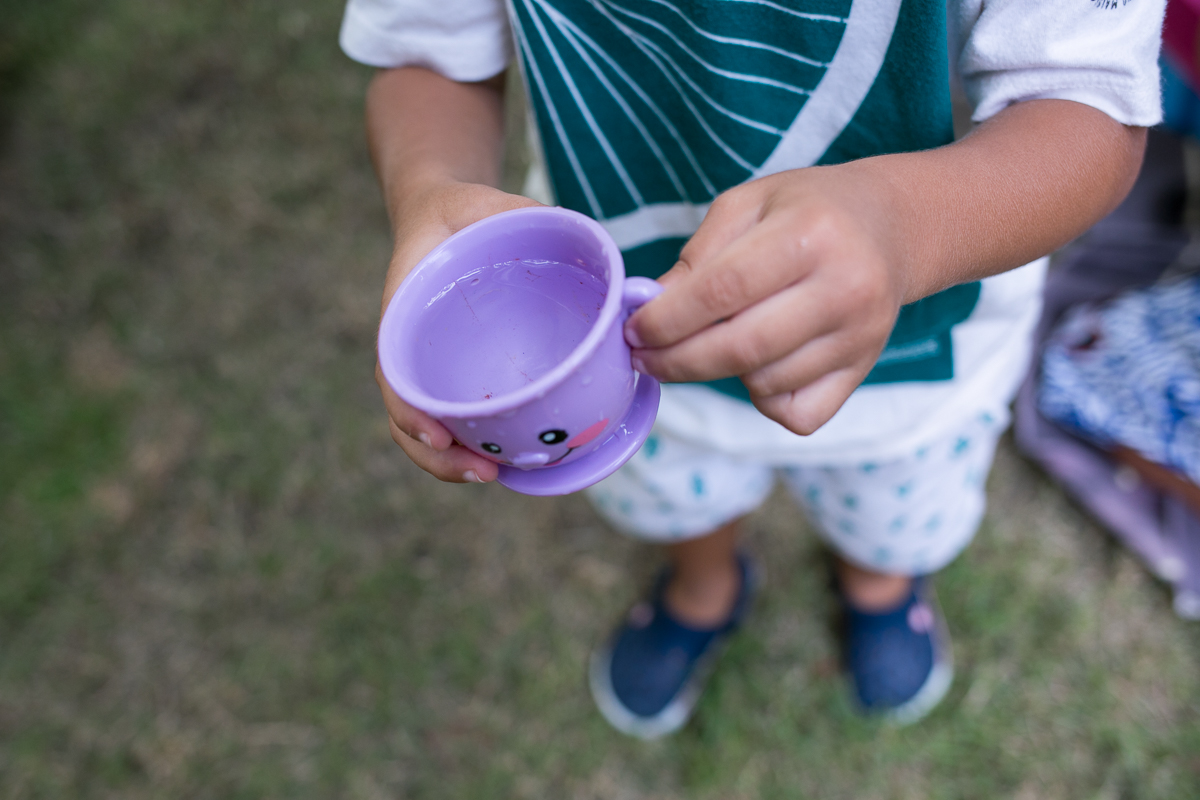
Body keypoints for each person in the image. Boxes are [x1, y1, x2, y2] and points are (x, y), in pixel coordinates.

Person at [340, 0, 1164, 736]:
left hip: (916, 369)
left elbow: (1089, 100)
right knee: (669, 496)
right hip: (606, 367)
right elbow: (426, 48)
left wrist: (907, 229)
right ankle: (704, 586)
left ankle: (878, 587)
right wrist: (428, 190)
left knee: (895, 519)